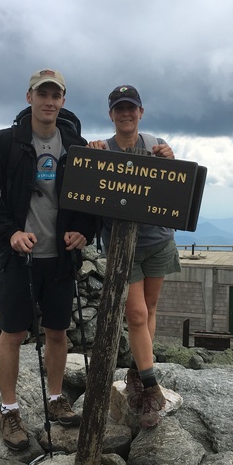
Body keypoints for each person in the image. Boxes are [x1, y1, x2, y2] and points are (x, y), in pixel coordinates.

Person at [0, 69, 96, 450]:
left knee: (57, 332)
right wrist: (9, 233)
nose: (48, 101)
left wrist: (85, 232)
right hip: (20, 258)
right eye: (42, 94)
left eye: (55, 95)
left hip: (60, 259)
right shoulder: (5, 142)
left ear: (63, 100)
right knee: (12, 333)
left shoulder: (76, 145)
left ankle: (56, 398)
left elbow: (91, 198)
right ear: (29, 98)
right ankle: (9, 410)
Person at [88, 84, 180, 429]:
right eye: (119, 108)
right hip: (121, 247)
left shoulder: (156, 144)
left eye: (132, 108)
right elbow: (87, 189)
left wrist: (171, 159)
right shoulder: (101, 149)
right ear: (111, 114)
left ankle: (138, 373)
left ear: (141, 112)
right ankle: (151, 388)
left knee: (150, 309)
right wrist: (91, 158)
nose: (126, 113)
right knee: (138, 315)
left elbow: (173, 186)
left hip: (158, 240)